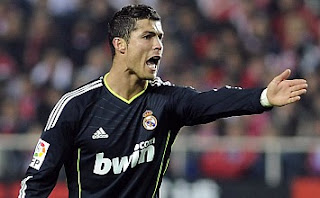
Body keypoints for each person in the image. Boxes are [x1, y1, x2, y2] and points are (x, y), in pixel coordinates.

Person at [18, 4, 308, 198]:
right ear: (120, 45)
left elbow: (214, 101)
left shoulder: (166, 101)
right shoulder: (76, 107)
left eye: (160, 37)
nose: (158, 45)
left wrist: (264, 97)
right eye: (147, 37)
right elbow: (36, 182)